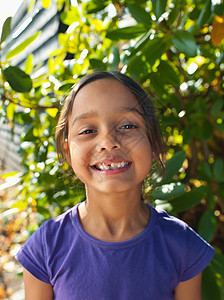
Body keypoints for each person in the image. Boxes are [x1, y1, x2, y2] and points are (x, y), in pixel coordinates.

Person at [16, 71, 215, 300]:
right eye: (88, 131)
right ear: (68, 151)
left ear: (153, 144)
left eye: (128, 126)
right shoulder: (45, 248)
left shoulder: (182, 244)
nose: (108, 142)